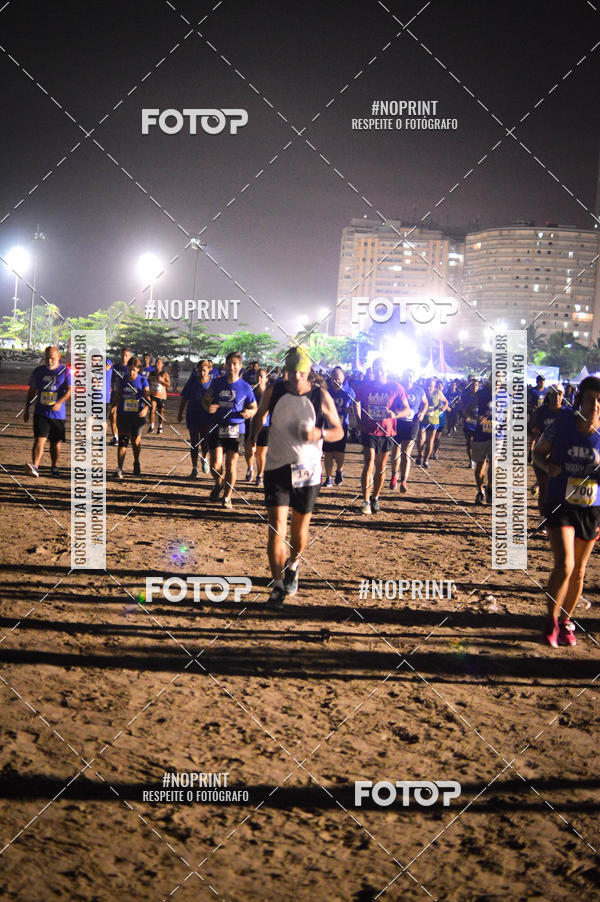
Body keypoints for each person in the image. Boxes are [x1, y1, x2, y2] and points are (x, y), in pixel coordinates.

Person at [252, 346, 343, 609]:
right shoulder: (275, 390)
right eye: (288, 372)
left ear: (308, 372)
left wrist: (319, 434)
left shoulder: (320, 395)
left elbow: (338, 431)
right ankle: (278, 586)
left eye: (298, 373)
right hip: (276, 467)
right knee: (276, 527)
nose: (292, 378)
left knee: (299, 529)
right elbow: (261, 415)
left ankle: (293, 564)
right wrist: (253, 439)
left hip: (308, 470)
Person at [533, 376, 600, 647]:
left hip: (591, 509)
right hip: (560, 502)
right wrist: (547, 467)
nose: (595, 405)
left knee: (580, 571)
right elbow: (538, 453)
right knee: (565, 564)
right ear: (579, 400)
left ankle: (566, 621)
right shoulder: (562, 424)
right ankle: (550, 620)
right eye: (589, 399)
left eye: (599, 400)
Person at [355, 357, 411, 514]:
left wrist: (394, 414)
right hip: (369, 430)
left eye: (382, 369)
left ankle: (376, 498)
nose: (380, 372)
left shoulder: (396, 387)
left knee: (380, 467)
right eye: (377, 369)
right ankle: (365, 500)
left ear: (387, 371)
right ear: (373, 370)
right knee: (369, 463)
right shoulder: (364, 387)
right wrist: (359, 420)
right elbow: (356, 402)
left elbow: (407, 409)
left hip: (386, 432)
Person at [203, 351, 257, 508]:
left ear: (240, 366)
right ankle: (219, 483)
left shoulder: (246, 387)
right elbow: (206, 400)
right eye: (229, 364)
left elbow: (254, 407)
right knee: (215, 465)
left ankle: (227, 497)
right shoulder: (217, 383)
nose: (232, 367)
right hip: (217, 426)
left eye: (235, 364)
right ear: (225, 365)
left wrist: (249, 413)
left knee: (231, 465)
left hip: (236, 428)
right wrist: (208, 407)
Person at [24, 345, 72, 477]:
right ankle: (35, 467)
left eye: (52, 358)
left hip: (58, 414)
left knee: (55, 443)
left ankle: (54, 466)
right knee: (39, 439)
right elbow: (32, 390)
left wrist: (60, 402)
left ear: (58, 357)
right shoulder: (38, 371)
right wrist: (27, 408)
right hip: (41, 412)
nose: (49, 361)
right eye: (47, 358)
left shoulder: (65, 371)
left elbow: (70, 390)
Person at [110, 356, 151, 478]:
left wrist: (146, 408)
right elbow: (117, 395)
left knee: (135, 441)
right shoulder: (122, 380)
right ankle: (119, 468)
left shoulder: (143, 381)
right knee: (123, 441)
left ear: (138, 369)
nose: (131, 372)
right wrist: (113, 407)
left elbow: (148, 398)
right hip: (124, 414)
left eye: (134, 370)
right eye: (130, 369)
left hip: (137, 416)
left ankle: (136, 462)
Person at [390, 369, 428, 492]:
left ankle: (403, 481)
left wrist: (422, 412)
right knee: (395, 452)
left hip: (412, 423)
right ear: (403, 376)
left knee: (406, 453)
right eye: (407, 376)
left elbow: (425, 402)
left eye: (411, 376)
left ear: (414, 377)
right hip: (398, 423)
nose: (409, 378)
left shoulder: (419, 390)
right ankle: (394, 475)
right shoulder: (398, 388)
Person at [531, 384, 565, 515]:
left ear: (563, 396)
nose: (556, 396)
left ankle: (555, 516)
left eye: (559, 394)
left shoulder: (568, 413)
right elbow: (531, 428)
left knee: (558, 490)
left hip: (559, 456)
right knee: (544, 489)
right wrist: (536, 432)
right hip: (542, 456)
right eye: (554, 394)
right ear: (549, 395)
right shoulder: (541, 412)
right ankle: (543, 517)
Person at [178, 359, 214, 478]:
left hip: (207, 416)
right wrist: (180, 413)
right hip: (193, 414)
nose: (201, 373)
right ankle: (194, 469)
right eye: (199, 371)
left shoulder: (213, 383)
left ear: (209, 370)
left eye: (204, 371)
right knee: (194, 442)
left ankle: (204, 458)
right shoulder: (192, 381)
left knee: (205, 441)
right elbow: (184, 398)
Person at [322, 366, 355, 487]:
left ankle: (339, 470)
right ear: (331, 379)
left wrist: (349, 410)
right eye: (334, 378)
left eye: (339, 378)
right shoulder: (326, 391)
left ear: (343, 378)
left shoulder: (349, 391)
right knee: (328, 452)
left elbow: (354, 408)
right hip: (328, 425)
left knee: (339, 452)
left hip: (342, 426)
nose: (336, 380)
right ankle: (328, 478)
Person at [245, 368, 271, 486]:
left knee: (261, 453)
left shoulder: (269, 392)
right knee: (250, 449)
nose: (259, 379)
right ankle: (250, 468)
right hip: (251, 424)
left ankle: (260, 475)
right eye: (257, 376)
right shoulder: (251, 391)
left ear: (266, 378)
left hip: (265, 426)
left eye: (262, 376)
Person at [416, 377, 448, 468]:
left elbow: (446, 402)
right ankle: (420, 454)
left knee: (430, 441)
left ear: (434, 385)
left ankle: (426, 460)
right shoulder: (422, 392)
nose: (429, 387)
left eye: (431, 385)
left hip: (433, 420)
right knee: (421, 440)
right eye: (428, 385)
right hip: (423, 419)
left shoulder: (438, 392)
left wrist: (443, 408)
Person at [471, 379, 493, 505]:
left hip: (497, 435)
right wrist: (476, 418)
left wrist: (506, 423)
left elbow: (509, 414)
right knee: (480, 465)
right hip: (481, 435)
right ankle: (480, 490)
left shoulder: (505, 395)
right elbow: (467, 410)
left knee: (494, 462)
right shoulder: (480, 394)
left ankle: (490, 488)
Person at [110, 347, 132, 446]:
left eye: (126, 355)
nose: (124, 357)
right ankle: (115, 437)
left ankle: (125, 436)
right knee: (112, 415)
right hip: (115, 395)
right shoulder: (115, 368)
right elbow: (110, 379)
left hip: (127, 396)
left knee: (125, 419)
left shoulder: (131, 369)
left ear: (129, 356)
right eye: (123, 355)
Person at [148, 357, 171, 434]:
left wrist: (162, 381)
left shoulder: (164, 374)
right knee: (152, 409)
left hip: (162, 396)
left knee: (161, 411)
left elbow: (168, 384)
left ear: (162, 365)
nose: (157, 364)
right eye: (156, 363)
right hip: (153, 394)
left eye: (159, 363)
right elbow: (148, 383)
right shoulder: (152, 373)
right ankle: (152, 426)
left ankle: (160, 426)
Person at [461, 376, 479, 468]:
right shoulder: (466, 396)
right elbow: (463, 409)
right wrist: (466, 416)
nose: (474, 387)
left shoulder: (481, 396)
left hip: (479, 423)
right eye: (473, 385)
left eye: (476, 385)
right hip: (468, 423)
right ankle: (471, 460)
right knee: (469, 442)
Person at [528, 374, 546, 462]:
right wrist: (532, 407)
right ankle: (530, 452)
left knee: (543, 436)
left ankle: (540, 454)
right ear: (537, 382)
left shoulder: (547, 391)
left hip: (544, 416)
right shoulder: (532, 391)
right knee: (534, 435)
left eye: (543, 381)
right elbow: (527, 403)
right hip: (535, 416)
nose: (542, 382)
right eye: (540, 381)